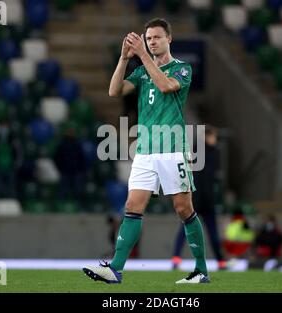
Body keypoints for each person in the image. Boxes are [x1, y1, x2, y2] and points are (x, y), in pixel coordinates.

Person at [83, 18, 210, 284]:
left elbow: (165, 86)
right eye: (148, 38)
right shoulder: (141, 72)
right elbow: (114, 90)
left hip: (173, 148)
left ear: (169, 39)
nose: (151, 42)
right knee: (132, 205)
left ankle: (201, 270)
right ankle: (115, 269)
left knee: (182, 208)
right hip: (145, 150)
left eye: (156, 38)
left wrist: (141, 55)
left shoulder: (182, 69)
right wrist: (123, 58)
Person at [171, 126, 227, 270]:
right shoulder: (211, 154)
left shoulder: (193, 151)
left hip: (194, 199)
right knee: (212, 231)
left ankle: (176, 257)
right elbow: (210, 179)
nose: (215, 140)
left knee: (185, 229)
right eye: (213, 137)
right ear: (208, 137)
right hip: (205, 200)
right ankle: (221, 261)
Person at [0, 120, 21, 199]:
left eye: (5, 127)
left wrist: (16, 164)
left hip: (10, 167)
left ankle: (12, 201)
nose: (3, 129)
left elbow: (18, 153)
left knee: (11, 187)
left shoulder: (13, 139)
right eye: (2, 127)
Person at [53, 127, 86, 201]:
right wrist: (60, 168)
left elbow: (81, 159)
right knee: (62, 190)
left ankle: (78, 205)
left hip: (75, 171)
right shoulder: (62, 145)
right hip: (64, 171)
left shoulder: (77, 145)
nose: (70, 134)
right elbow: (57, 158)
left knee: (77, 190)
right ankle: (60, 205)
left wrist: (80, 170)